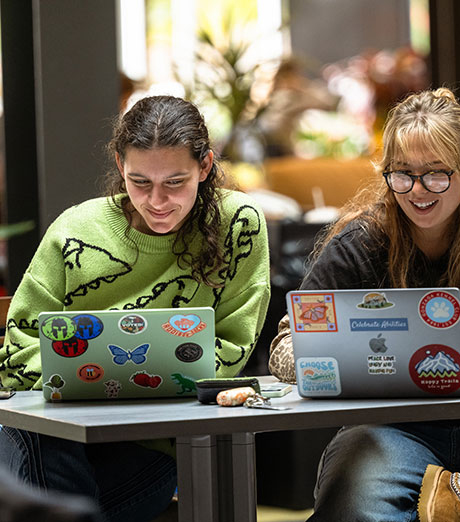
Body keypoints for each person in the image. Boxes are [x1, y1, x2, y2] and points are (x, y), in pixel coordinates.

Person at [269, 88, 460, 521]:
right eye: (402, 173)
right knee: (352, 507)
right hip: (391, 429)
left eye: (436, 174)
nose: (417, 190)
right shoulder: (358, 243)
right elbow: (285, 348)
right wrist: (336, 356)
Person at [0, 95, 271, 521]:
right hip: (57, 432)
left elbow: (232, 347)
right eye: (140, 182)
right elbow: (18, 350)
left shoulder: (238, 223)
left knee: (49, 502)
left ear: (205, 166)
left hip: (151, 446)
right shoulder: (76, 229)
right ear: (119, 164)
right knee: (36, 439)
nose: (157, 201)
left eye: (175, 182)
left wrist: (112, 384)